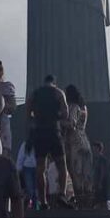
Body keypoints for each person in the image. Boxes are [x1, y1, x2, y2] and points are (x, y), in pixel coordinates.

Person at [26, 74, 72, 209]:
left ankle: (43, 201)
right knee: (61, 165)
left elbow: (28, 115)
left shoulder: (35, 94)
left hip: (39, 132)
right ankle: (62, 194)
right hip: (54, 130)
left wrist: (31, 130)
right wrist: (56, 115)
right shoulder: (58, 92)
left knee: (40, 168)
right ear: (54, 82)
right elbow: (65, 113)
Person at [62, 84, 93, 207]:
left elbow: (71, 124)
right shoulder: (84, 108)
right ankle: (88, 202)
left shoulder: (73, 107)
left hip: (74, 143)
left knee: (76, 174)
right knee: (86, 174)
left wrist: (59, 122)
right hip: (84, 140)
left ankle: (80, 204)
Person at [16, 135, 38, 209]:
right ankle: (27, 207)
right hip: (27, 168)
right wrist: (18, 169)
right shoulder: (25, 144)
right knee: (30, 189)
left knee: (36, 190)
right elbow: (21, 157)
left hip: (37, 168)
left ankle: (35, 207)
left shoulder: (39, 144)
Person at [92, 141, 109, 208]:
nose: (93, 150)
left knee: (103, 200)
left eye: (95, 149)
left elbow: (103, 172)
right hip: (96, 183)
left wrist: (100, 183)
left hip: (101, 183)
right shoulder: (94, 159)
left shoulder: (102, 159)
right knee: (97, 200)